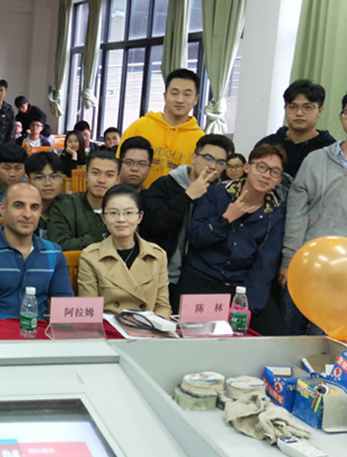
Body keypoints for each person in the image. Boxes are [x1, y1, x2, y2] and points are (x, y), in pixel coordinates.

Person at [181, 143, 286, 333]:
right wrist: (225, 219)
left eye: (274, 172)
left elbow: (264, 266)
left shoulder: (275, 214)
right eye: (261, 167)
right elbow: (196, 237)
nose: (266, 175)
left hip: (240, 287)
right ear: (247, 168)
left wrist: (245, 308)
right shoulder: (217, 194)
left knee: (278, 334)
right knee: (199, 336)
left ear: (279, 180)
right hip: (202, 279)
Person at [139, 134, 234, 311]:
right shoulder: (166, 184)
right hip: (160, 275)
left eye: (221, 162)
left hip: (199, 279)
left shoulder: (223, 195)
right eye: (208, 158)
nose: (213, 166)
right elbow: (152, 226)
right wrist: (188, 196)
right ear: (194, 157)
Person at [280, 93, 347, 335]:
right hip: (306, 263)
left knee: (326, 341)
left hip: (343, 275)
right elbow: (296, 213)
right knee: (289, 336)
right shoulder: (316, 160)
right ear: (342, 117)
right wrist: (289, 260)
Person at [0, 182, 73, 319]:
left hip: (38, 330)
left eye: (34, 207)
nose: (27, 214)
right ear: (2, 209)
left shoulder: (54, 253)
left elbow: (65, 307)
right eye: (19, 206)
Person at [76, 185, 172, 319]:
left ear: (140, 217)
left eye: (128, 213)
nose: (121, 219)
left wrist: (155, 325)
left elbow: (162, 306)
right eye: (113, 213)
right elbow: (89, 310)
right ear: (103, 217)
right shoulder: (91, 256)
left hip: (147, 328)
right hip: (109, 328)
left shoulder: (157, 255)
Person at [119, 68, 205, 188]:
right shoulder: (140, 126)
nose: (180, 100)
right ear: (165, 96)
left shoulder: (200, 140)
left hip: (179, 199)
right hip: (134, 197)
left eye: (187, 94)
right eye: (174, 93)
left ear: (195, 99)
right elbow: (118, 166)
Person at [257, 79, 335, 180]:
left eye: (307, 107)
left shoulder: (330, 151)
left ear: (320, 111)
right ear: (285, 109)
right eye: (293, 107)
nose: (299, 113)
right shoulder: (268, 144)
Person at [46, 151, 120, 251]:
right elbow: (58, 244)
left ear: (117, 180)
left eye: (109, 175)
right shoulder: (64, 205)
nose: (101, 180)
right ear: (85, 176)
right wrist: (101, 239)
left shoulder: (124, 209)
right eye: (95, 173)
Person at [25, 151, 66, 236]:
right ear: (28, 180)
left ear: (62, 179)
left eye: (54, 176)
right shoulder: (22, 211)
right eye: (39, 177)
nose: (48, 183)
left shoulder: (69, 206)